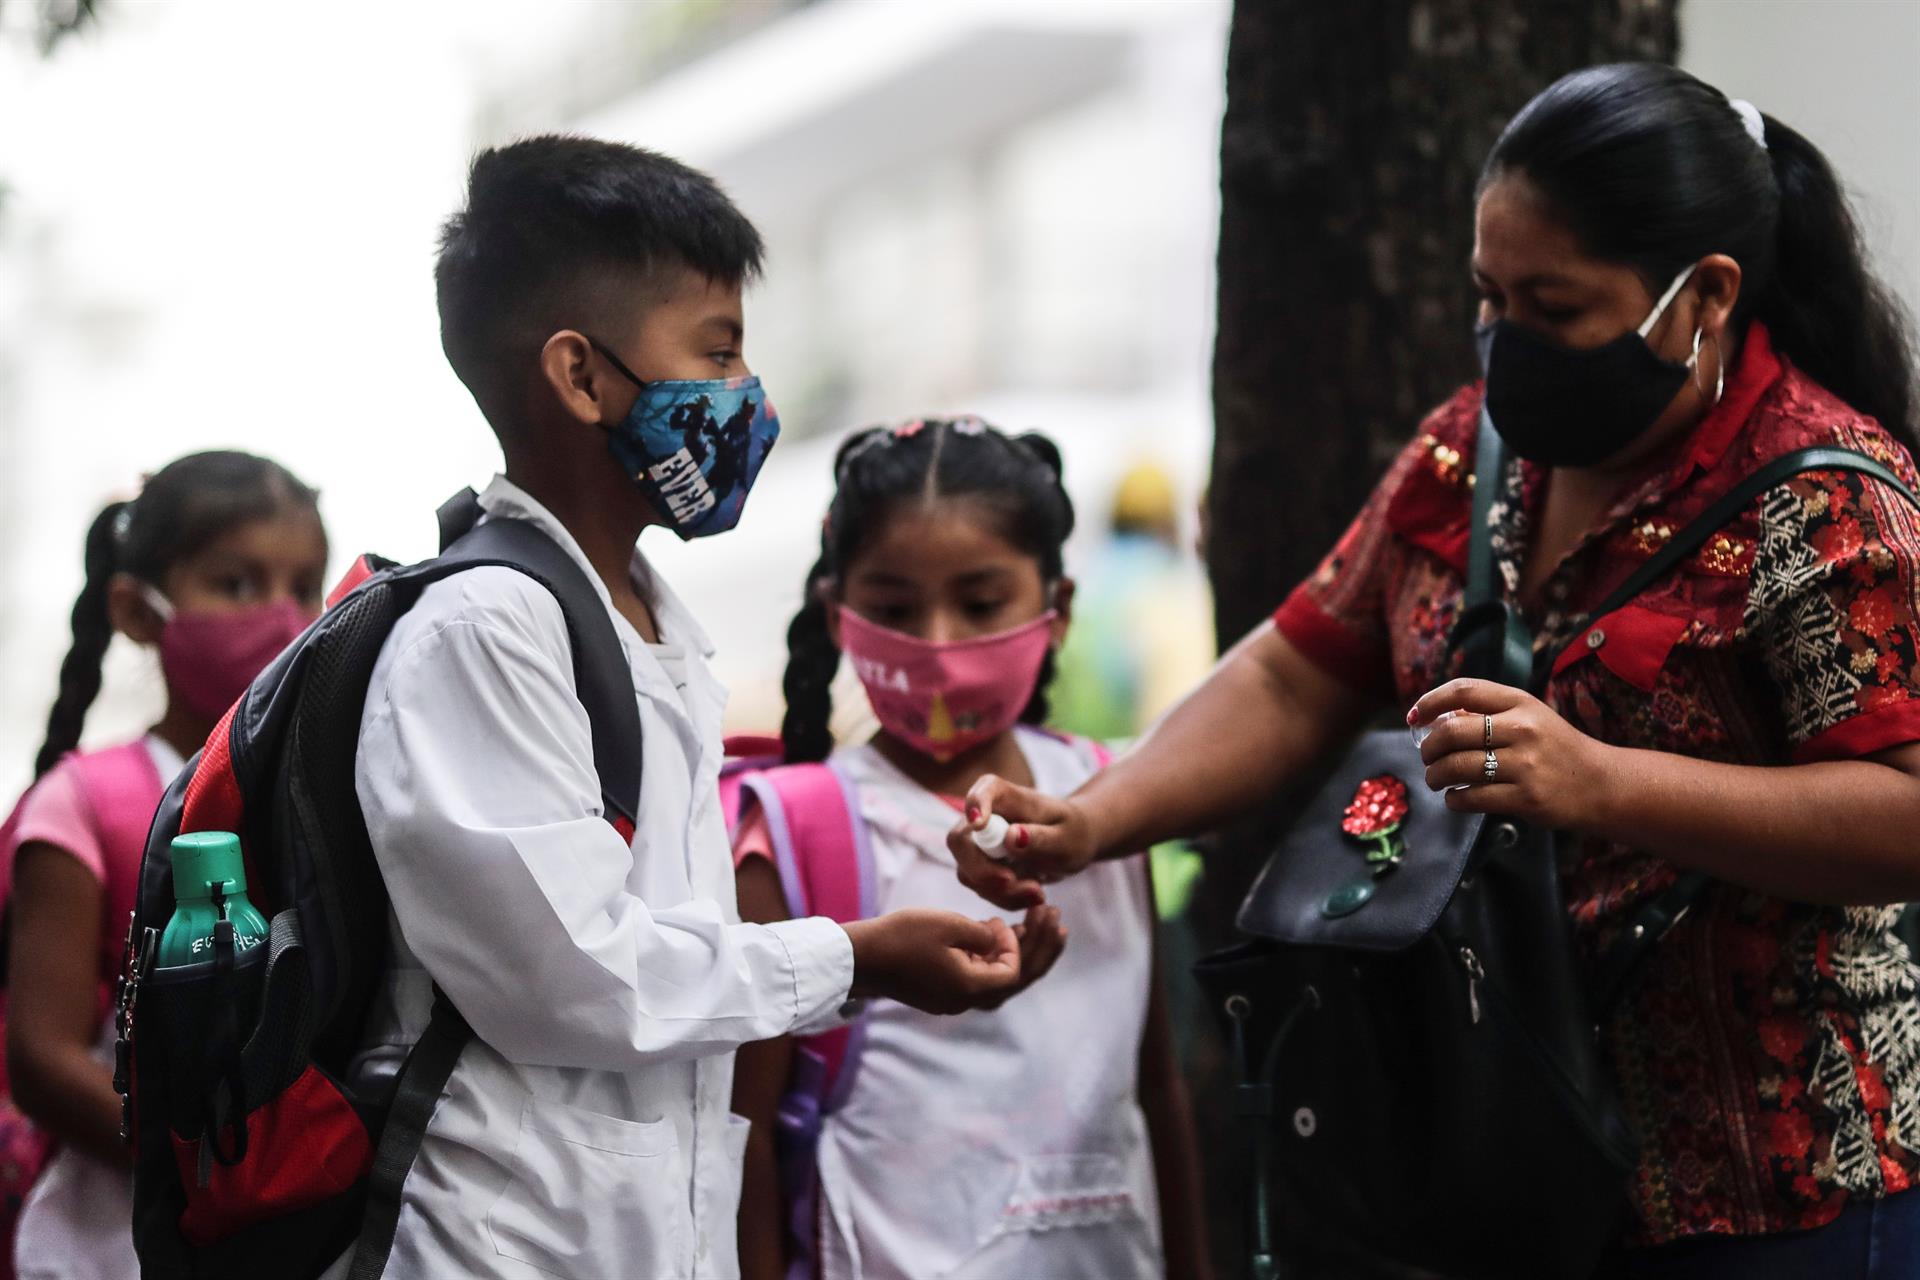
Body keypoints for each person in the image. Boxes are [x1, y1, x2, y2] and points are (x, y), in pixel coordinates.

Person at [949, 63, 1920, 1278]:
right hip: (1492, 1173)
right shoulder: (1471, 450)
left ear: (1702, 296)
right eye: (1488, 296)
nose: (1507, 342)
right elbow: (1300, 670)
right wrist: (1094, 818)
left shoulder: (1832, 499)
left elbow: (1905, 807)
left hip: (1771, 1192)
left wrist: (1602, 782)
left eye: (1554, 306)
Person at [334, 138, 1055, 1280]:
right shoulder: (485, 630)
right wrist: (854, 956)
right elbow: (579, 980)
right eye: (715, 353)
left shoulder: (644, 622)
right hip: (499, 1248)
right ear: (580, 376)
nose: (743, 397)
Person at [730, 418, 1211, 1280]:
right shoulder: (796, 830)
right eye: (894, 609)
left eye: (982, 603)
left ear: (1056, 612)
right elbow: (745, 1136)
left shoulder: (1110, 801)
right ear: (839, 618)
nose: (940, 644)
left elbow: (1155, 1084)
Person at [2, 452, 327, 1280]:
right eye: (236, 584)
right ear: (137, 611)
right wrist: (204, 1162)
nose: (282, 618)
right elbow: (40, 1059)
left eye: (304, 586)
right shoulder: (86, 804)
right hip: (105, 1248)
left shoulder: (324, 801)